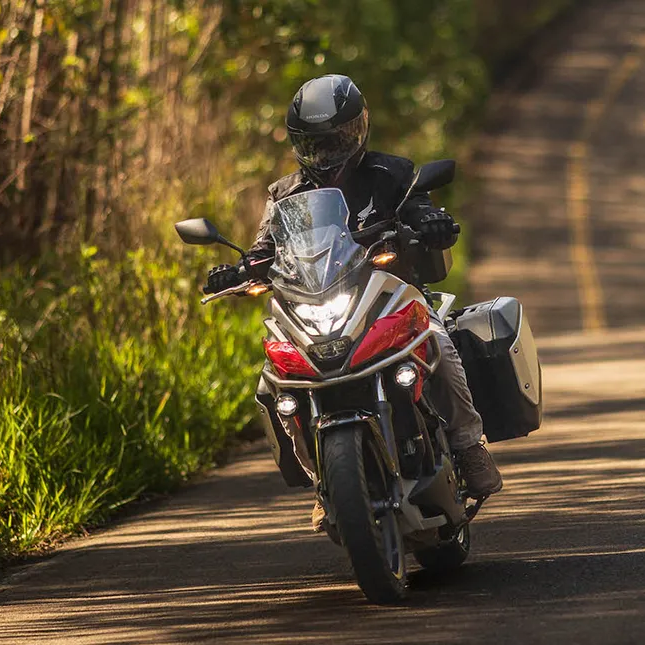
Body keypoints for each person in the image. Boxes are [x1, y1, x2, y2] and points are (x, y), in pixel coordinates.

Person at [203, 74, 503, 532]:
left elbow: (418, 207)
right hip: (318, 304)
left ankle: (467, 446)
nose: (327, 150)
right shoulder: (285, 195)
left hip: (391, 297)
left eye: (336, 138)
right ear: (298, 142)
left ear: (358, 128)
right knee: (272, 385)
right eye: (316, 142)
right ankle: (324, 482)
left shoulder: (391, 173)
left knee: (440, 344)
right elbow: (265, 247)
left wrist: (433, 221)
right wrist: (239, 269)